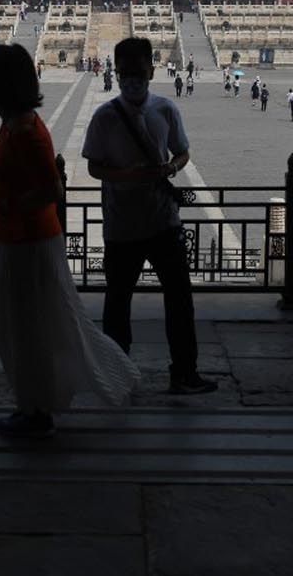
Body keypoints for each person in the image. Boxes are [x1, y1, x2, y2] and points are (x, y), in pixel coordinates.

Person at [0, 44, 140, 437]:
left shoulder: (26, 131)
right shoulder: (12, 123)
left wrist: (3, 205)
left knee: (23, 324)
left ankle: (37, 410)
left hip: (30, 241)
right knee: (16, 318)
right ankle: (44, 395)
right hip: (19, 237)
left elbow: (51, 190)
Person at [82, 37, 217, 395]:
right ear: (117, 71)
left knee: (180, 300)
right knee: (117, 303)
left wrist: (170, 166)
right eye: (125, 73)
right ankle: (117, 373)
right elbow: (94, 166)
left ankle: (185, 372)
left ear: (151, 70)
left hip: (163, 220)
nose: (131, 80)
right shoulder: (105, 116)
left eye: (138, 72)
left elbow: (183, 152)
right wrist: (127, 176)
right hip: (121, 222)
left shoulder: (166, 109)